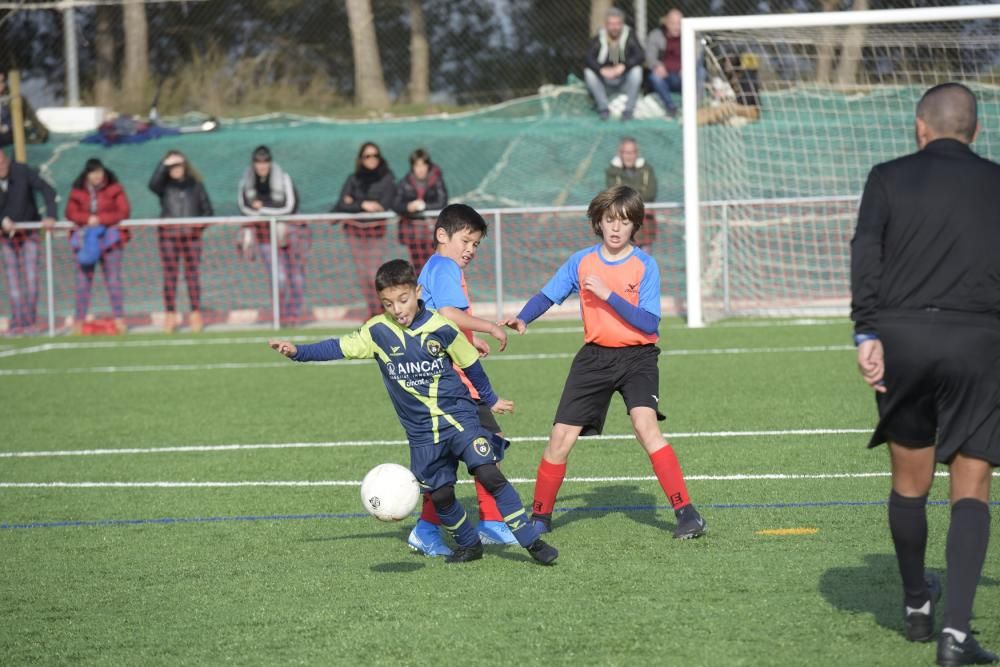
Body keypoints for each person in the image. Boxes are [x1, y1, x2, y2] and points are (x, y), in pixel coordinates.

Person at [269, 259, 558, 565]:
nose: (397, 309)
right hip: (422, 435)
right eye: (388, 303)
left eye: (403, 300)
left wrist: (490, 398)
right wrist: (298, 352)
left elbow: (471, 365)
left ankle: (531, 542)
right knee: (442, 495)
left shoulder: (442, 328)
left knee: (489, 473)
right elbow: (336, 347)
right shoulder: (377, 331)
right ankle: (470, 545)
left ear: (417, 291)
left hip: (458, 419)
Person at [851, 83, 999, 666]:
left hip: (903, 338)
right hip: (979, 341)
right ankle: (955, 637)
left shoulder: (886, 176)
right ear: (975, 131)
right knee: (972, 485)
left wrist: (867, 331)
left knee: (910, 483)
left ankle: (916, 605)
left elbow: (867, 252)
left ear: (920, 128)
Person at [502, 185, 707, 540]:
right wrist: (523, 318)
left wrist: (608, 295)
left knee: (646, 427)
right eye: (609, 219)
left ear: (635, 226)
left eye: (624, 222)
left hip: (638, 358)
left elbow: (649, 322)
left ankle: (686, 513)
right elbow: (549, 294)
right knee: (560, 437)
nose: (616, 228)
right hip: (594, 358)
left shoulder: (645, 265)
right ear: (598, 221)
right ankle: (539, 517)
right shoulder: (581, 261)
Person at [409, 203, 517, 556]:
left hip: (443, 376)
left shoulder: (435, 267)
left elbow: (442, 322)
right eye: (466, 241)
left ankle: (479, 523)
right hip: (452, 381)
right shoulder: (445, 267)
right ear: (442, 235)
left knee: (470, 449)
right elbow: (449, 313)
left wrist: (472, 341)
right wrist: (488, 326)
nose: (470, 250)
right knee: (484, 446)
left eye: (475, 245)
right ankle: (482, 524)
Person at [237, 145, 309, 326]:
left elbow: (290, 207)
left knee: (297, 277)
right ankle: (280, 314)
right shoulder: (246, 182)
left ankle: (295, 314)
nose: (262, 166)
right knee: (280, 278)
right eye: (258, 162)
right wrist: (268, 213)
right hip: (264, 237)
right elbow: (244, 208)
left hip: (289, 234)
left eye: (265, 161)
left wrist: (262, 208)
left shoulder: (284, 179)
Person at [149, 150, 214, 333]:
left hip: (191, 238)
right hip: (169, 237)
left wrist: (197, 227)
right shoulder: (164, 187)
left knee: (192, 277)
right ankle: (170, 316)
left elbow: (208, 210)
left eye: (179, 165)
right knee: (170, 277)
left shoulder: (196, 186)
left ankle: (195, 314)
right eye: (172, 167)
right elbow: (153, 184)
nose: (176, 170)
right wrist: (164, 163)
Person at [65, 158, 131, 334]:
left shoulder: (114, 188)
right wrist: (87, 219)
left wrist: (101, 220)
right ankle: (79, 320)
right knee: (82, 282)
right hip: (85, 241)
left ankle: (119, 319)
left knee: (113, 280)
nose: (97, 176)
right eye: (93, 172)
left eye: (100, 172)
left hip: (110, 240)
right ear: (87, 174)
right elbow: (70, 212)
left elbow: (123, 210)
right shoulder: (78, 191)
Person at [332, 142, 397, 320]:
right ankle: (372, 311)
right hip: (355, 233)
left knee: (373, 274)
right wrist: (362, 204)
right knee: (362, 275)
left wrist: (353, 202)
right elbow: (341, 205)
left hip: (376, 234)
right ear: (361, 159)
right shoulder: (353, 179)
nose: (372, 159)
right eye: (367, 156)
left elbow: (385, 205)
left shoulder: (386, 178)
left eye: (375, 155)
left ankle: (382, 309)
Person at [0, 149, 57, 333]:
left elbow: (47, 190)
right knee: (13, 281)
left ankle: (30, 321)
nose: (1, 167)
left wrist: (51, 216)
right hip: (6, 237)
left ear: (7, 160)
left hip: (29, 232)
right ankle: (17, 322)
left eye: (3, 162)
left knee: (32, 278)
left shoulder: (22, 171)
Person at [393, 148, 448, 273]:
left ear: (428, 165)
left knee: (436, 267)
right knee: (419, 269)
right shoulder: (405, 182)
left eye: (423, 164)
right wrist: (408, 207)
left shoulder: (437, 180)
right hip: (414, 234)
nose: (421, 169)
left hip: (433, 233)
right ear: (412, 166)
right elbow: (395, 203)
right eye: (417, 165)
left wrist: (424, 206)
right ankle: (423, 291)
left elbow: (442, 202)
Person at [584, 8, 644, 121]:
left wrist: (624, 66)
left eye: (617, 24)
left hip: (624, 81)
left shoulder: (630, 36)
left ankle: (628, 110)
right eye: (611, 24)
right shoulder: (599, 38)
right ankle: (603, 109)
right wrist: (601, 69)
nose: (614, 27)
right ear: (606, 25)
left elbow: (640, 55)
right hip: (605, 82)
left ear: (622, 24)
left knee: (637, 71)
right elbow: (588, 58)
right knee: (589, 73)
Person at [605, 137, 657, 250]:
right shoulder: (612, 172)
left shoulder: (647, 170)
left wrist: (628, 198)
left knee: (645, 263)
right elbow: (616, 193)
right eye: (626, 152)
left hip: (645, 226)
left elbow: (650, 193)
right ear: (620, 153)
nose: (629, 156)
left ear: (637, 153)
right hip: (622, 228)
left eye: (632, 152)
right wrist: (637, 196)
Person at [697, 52, 761, 127]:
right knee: (714, 108)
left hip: (749, 110)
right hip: (733, 108)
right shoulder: (725, 78)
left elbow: (747, 100)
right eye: (726, 61)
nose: (727, 64)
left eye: (730, 61)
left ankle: (697, 120)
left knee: (725, 107)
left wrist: (729, 99)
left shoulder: (746, 78)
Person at [645, 9, 685, 118]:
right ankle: (670, 107)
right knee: (654, 77)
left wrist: (688, 67)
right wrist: (656, 65)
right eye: (673, 23)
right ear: (666, 23)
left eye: (679, 23)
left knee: (700, 72)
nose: (677, 27)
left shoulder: (690, 34)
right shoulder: (655, 35)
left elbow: (697, 54)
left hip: (684, 76)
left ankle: (695, 106)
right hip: (665, 76)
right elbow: (649, 57)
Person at [0, 71, 49, 147]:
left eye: (2, 82)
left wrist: (42, 132)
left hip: (9, 135)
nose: (1, 85)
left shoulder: (14, 98)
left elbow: (32, 117)